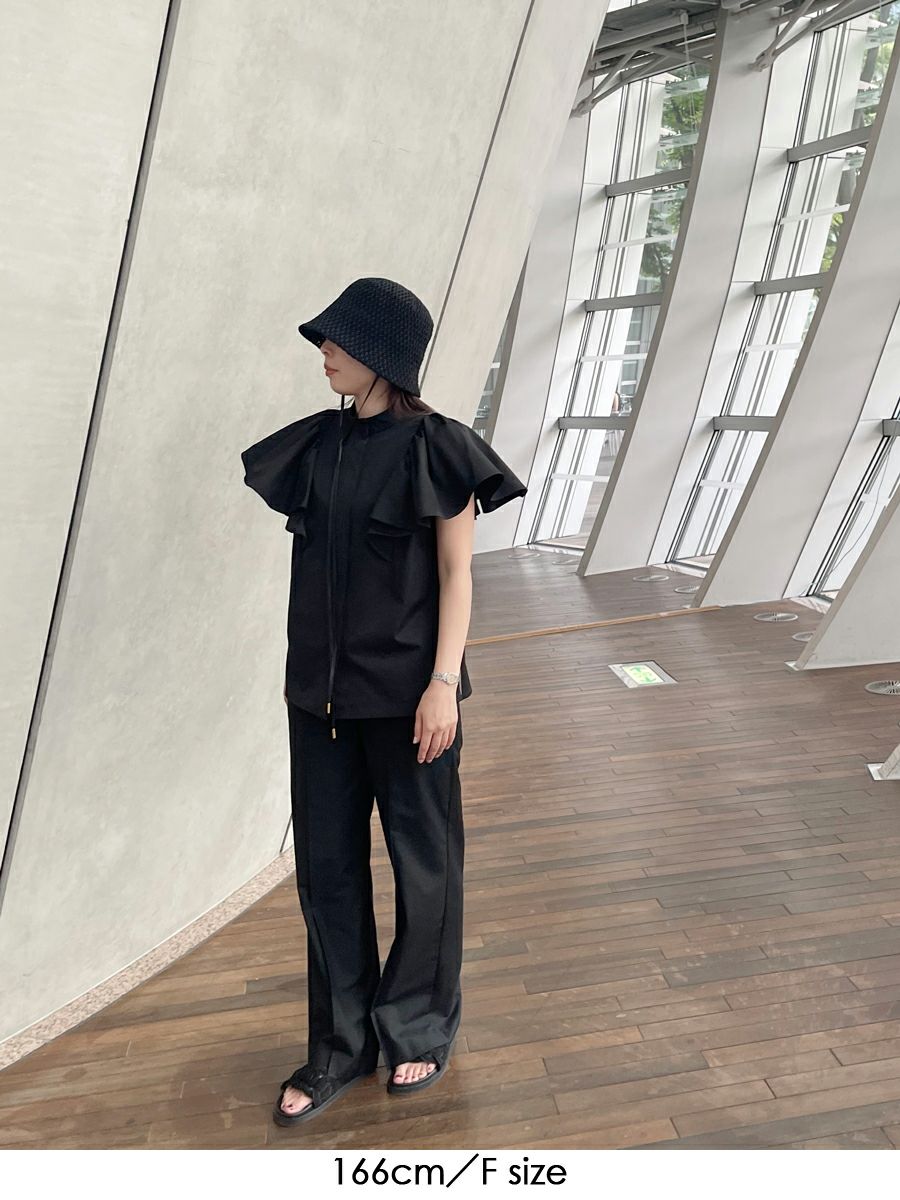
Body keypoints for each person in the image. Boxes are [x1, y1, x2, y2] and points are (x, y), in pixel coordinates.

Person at [241, 277, 528, 1128]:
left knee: (424, 868)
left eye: (338, 339)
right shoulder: (316, 444)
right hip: (319, 702)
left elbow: (456, 575)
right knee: (326, 875)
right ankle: (339, 1047)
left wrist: (443, 685)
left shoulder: (439, 447)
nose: (323, 351)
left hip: (411, 703)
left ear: (383, 354)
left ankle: (419, 1028)